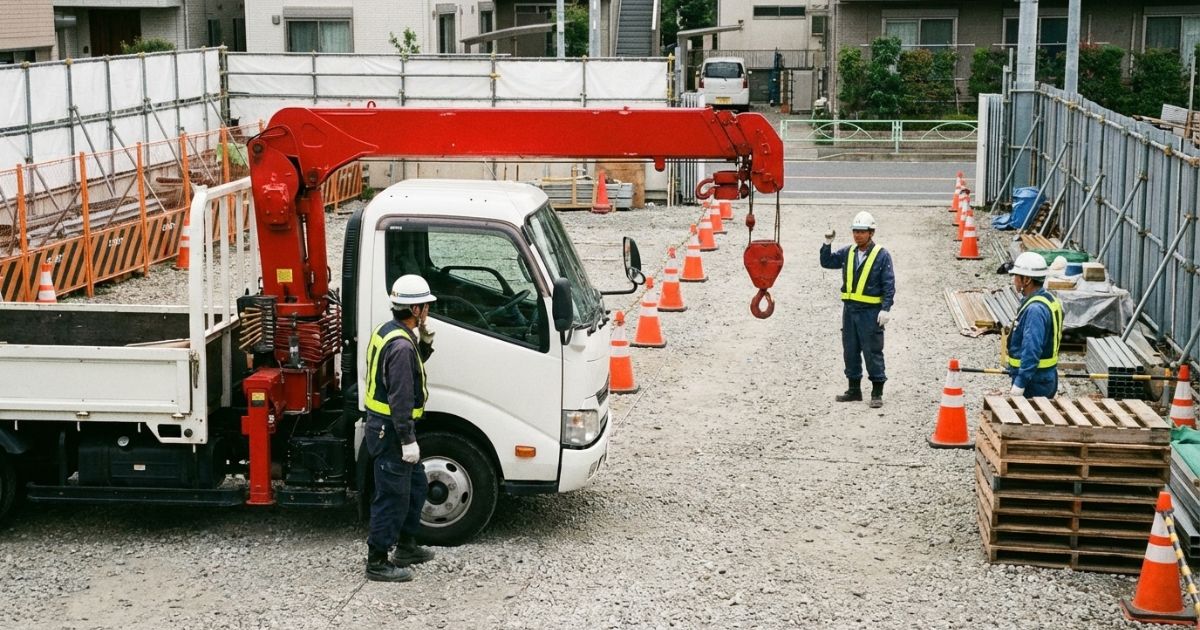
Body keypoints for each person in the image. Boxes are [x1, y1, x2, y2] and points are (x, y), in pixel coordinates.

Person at [363, 274, 439, 582]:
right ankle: (377, 561)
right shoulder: (401, 347)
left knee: (416, 486)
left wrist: (426, 344)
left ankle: (406, 546)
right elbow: (400, 396)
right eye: (426, 306)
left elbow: (405, 369)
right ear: (417, 308)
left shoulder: (390, 332)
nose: (428, 311)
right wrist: (408, 440)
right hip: (392, 433)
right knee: (392, 496)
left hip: (387, 429)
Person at [819, 211, 896, 408]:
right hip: (850, 311)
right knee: (850, 350)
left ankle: (877, 392)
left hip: (871, 312)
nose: (858, 235)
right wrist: (827, 244)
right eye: (855, 231)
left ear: (871, 233)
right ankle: (854, 390)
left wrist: (886, 308)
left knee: (872, 351)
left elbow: (889, 284)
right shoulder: (848, 252)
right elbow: (827, 263)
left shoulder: (882, 255)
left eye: (862, 232)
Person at [1006, 252, 1063, 398]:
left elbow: (1031, 349)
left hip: (1034, 382)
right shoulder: (1048, 299)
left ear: (1027, 280)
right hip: (1044, 377)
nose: (1014, 280)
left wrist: (1020, 383)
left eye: (1017, 276)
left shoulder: (1035, 310)